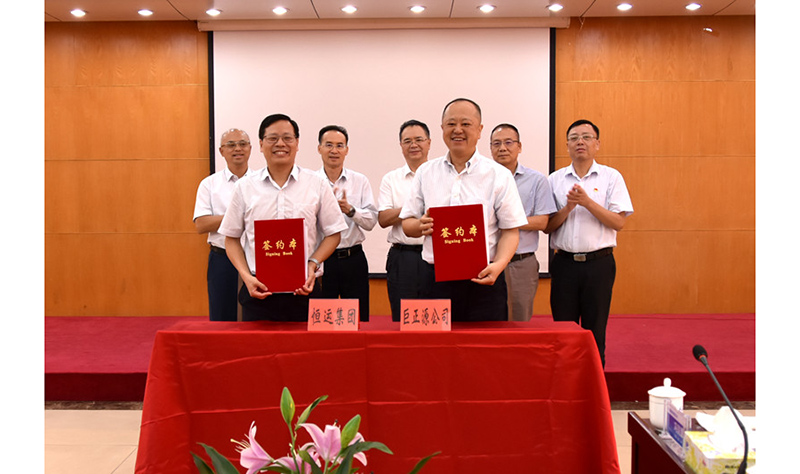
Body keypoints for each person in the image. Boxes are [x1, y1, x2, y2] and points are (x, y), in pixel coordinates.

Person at [399, 98, 527, 321]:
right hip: (435, 280)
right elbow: (407, 224)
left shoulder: (498, 174)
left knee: (484, 342)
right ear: (442, 129)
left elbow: (510, 230)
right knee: (437, 342)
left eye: (466, 124)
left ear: (479, 130)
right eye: (451, 124)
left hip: (484, 279)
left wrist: (499, 265)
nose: (457, 130)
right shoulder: (425, 172)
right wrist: (419, 225)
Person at [218, 114, 348, 321]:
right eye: (272, 138)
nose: (280, 144)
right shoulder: (244, 187)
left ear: (297, 143)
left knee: (305, 343)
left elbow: (333, 233)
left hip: (304, 290)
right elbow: (231, 238)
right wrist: (245, 276)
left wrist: (312, 264)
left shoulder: (316, 184)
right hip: (258, 291)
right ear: (261, 145)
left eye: (287, 138)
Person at [545, 119, 634, 367]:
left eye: (586, 137)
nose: (580, 142)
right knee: (564, 330)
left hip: (599, 265)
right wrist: (568, 207)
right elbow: (548, 227)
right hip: (564, 264)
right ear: (567, 145)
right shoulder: (554, 180)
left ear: (597, 144)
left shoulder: (611, 177)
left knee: (595, 330)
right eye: (574, 138)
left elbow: (618, 222)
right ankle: (565, 382)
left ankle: (594, 383)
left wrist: (587, 203)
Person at [490, 123, 557, 322]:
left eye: (508, 142)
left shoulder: (537, 180)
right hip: (486, 262)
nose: (502, 148)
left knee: (518, 320)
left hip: (520, 263)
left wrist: (505, 220)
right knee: (486, 321)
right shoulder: (481, 179)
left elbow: (542, 222)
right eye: (496, 144)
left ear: (519, 147)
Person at [315, 125, 378, 321]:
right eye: (329, 145)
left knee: (358, 319)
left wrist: (350, 210)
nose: (334, 150)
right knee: (323, 320)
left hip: (353, 259)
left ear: (347, 150)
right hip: (322, 261)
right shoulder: (311, 182)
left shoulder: (359, 181)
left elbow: (371, 221)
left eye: (339, 145)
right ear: (319, 148)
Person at [192, 128, 254, 321]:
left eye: (242, 144)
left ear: (250, 148)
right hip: (222, 259)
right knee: (222, 318)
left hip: (256, 259)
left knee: (256, 317)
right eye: (231, 145)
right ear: (221, 151)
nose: (238, 149)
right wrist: (237, 215)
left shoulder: (261, 182)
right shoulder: (209, 184)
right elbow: (202, 224)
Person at [377, 120, 431, 321]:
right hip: (403, 257)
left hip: (435, 255)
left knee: (435, 317)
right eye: (407, 141)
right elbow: (383, 218)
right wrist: (411, 208)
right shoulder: (391, 179)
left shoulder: (441, 175)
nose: (413, 145)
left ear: (429, 142)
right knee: (403, 318)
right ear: (401, 145)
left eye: (419, 140)